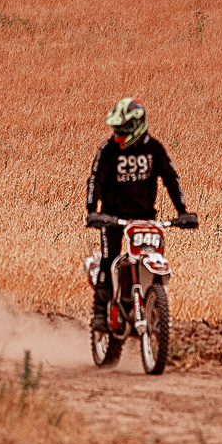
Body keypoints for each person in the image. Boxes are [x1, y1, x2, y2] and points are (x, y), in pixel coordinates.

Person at [86, 97, 192, 330]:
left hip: (146, 218)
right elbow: (96, 179)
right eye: (115, 130)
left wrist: (183, 212)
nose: (117, 135)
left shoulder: (154, 149)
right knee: (110, 258)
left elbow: (171, 179)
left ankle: (151, 304)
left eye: (122, 130)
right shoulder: (108, 149)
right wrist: (92, 211)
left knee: (150, 258)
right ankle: (100, 311)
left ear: (136, 126)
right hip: (113, 218)